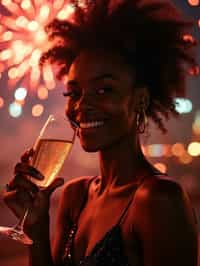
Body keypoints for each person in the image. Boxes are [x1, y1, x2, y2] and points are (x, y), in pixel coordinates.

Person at [3, 0, 199, 266]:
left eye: (104, 90)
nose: (82, 105)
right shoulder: (75, 196)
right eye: (73, 93)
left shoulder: (159, 200)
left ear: (140, 100)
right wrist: (36, 227)